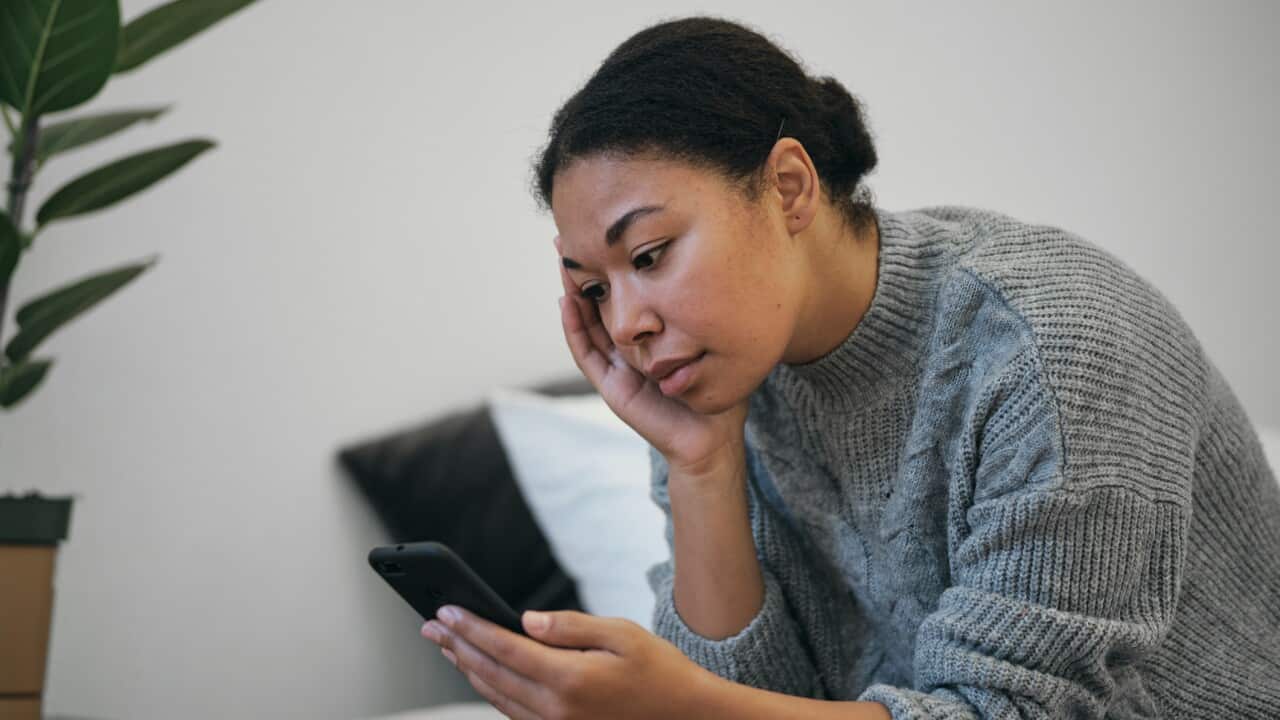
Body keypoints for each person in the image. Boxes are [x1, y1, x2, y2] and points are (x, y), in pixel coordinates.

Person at [420, 15, 1280, 719]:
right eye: (593, 290)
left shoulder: (1053, 340)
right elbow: (773, 705)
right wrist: (700, 466)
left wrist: (683, 706)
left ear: (790, 187)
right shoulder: (721, 376)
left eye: (647, 255)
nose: (630, 323)